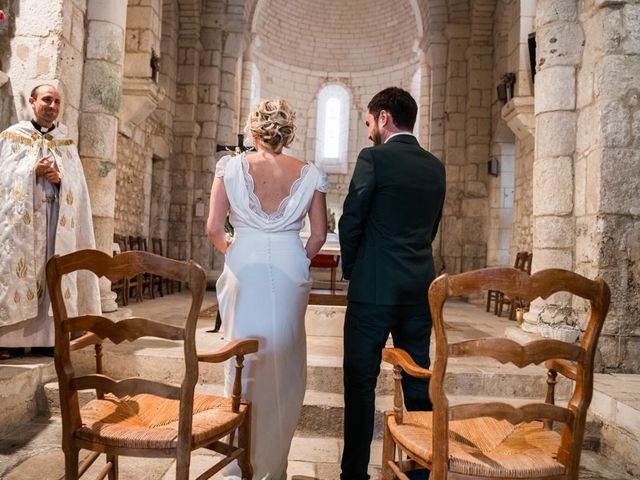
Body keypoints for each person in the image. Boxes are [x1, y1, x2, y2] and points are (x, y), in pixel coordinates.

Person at [207, 98, 328, 479]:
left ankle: (237, 466)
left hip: (244, 266)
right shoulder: (310, 173)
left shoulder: (230, 168)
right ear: (288, 133)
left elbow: (213, 227)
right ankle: (273, 468)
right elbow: (320, 235)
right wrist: (298, 259)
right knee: (285, 364)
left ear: (254, 131)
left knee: (242, 361)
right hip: (291, 267)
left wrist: (237, 251)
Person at [338, 87, 446, 480]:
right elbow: (431, 228)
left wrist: (354, 269)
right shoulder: (435, 167)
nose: (369, 131)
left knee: (361, 384)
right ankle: (419, 471)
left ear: (383, 117)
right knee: (418, 380)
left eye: (369, 122)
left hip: (373, 290)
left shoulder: (374, 158)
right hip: (419, 289)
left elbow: (350, 220)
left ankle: (354, 475)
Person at [0, 84, 101, 358]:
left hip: (55, 222)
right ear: (33, 102)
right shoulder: (11, 138)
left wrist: (60, 181)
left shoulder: (65, 143)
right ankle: (10, 341)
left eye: (57, 102)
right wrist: (31, 171)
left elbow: (78, 190)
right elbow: (3, 180)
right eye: (46, 100)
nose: (52, 106)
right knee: (20, 271)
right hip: (23, 224)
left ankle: (50, 339)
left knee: (52, 274)